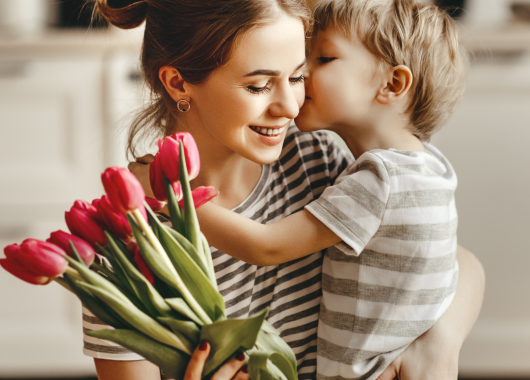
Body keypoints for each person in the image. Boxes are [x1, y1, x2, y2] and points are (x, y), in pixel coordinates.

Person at [88, 0, 485, 379]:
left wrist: (440, 344)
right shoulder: (127, 244)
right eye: (259, 86)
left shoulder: (315, 159)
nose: (291, 107)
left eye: (296, 77)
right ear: (178, 83)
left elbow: (447, 256)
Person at [194, 0, 469, 378]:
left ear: (392, 83)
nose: (303, 72)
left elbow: (266, 245)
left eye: (323, 58)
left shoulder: (380, 181)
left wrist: (173, 198)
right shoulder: (430, 166)